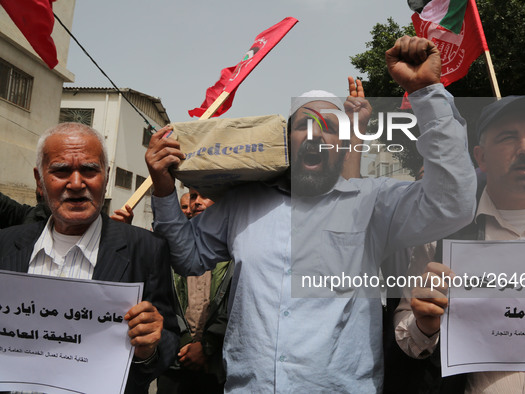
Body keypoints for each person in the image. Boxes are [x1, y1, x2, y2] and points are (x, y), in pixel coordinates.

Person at [146, 36, 477, 391]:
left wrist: (427, 91)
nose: (315, 134)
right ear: (287, 140)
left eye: (330, 127)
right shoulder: (244, 203)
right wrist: (164, 189)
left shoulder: (372, 203)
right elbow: (188, 257)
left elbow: (452, 203)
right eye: (304, 124)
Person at [394, 96, 525, 393]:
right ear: (481, 157)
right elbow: (408, 339)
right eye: (508, 138)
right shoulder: (443, 236)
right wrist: (423, 324)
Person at [0, 122, 180, 394]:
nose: (75, 183)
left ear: (106, 177)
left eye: (89, 170)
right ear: (39, 180)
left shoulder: (145, 249)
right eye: (61, 171)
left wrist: (149, 347)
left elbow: (167, 346)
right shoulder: (6, 244)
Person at [158, 188, 227, 394]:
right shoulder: (169, 247)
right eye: (194, 196)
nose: (197, 202)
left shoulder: (235, 248)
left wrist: (206, 346)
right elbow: (161, 298)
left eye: (206, 195)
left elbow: (236, 305)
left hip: (215, 366)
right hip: (175, 361)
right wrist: (186, 341)